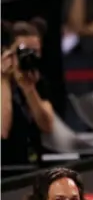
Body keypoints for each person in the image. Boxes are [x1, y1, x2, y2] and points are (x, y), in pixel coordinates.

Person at [1, 20, 54, 166]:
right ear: (8, 52)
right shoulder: (1, 81)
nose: (29, 56)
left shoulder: (38, 82)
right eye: (23, 51)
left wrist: (28, 88)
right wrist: (4, 80)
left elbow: (47, 126)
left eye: (35, 52)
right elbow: (2, 133)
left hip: (32, 162)